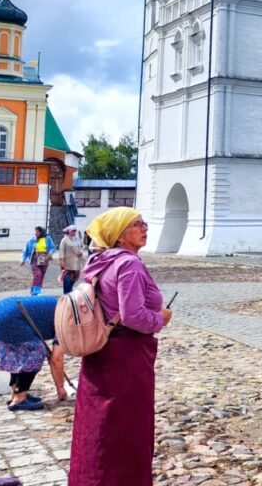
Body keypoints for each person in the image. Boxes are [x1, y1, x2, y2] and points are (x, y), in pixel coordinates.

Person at [67, 207, 173, 486]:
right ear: (119, 234)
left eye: (144, 223)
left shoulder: (99, 261)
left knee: (97, 424)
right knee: (126, 428)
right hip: (126, 355)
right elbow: (133, 316)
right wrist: (159, 318)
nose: (145, 227)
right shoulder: (129, 264)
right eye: (137, 224)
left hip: (100, 351)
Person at [0, 295, 68, 410]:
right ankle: (19, 399)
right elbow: (56, 359)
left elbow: (53, 356)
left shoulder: (65, 305)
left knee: (16, 353)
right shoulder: (69, 321)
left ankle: (15, 392)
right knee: (35, 353)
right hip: (10, 317)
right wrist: (61, 388)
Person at [21, 226, 52, 296]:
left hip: (44, 258)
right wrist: (23, 260)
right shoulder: (32, 240)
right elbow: (26, 250)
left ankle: (33, 290)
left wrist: (50, 254)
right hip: (34, 258)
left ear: (41, 232)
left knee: (41, 275)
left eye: (38, 232)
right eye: (35, 231)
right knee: (38, 274)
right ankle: (37, 291)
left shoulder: (47, 238)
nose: (36, 233)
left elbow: (52, 247)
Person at [59, 225, 86, 295]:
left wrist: (81, 254)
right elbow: (61, 251)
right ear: (68, 232)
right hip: (68, 264)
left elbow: (81, 248)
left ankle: (70, 293)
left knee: (73, 280)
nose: (74, 233)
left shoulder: (76, 239)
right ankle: (67, 295)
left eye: (75, 231)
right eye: (72, 231)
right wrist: (62, 261)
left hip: (76, 263)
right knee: (67, 281)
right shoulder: (64, 240)